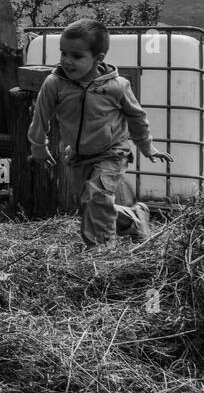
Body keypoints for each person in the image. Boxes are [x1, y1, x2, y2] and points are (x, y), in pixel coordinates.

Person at [27, 19, 174, 249]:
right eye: (63, 53)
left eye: (77, 56)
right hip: (78, 154)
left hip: (112, 153)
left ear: (99, 58)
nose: (67, 61)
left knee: (95, 196)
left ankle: (102, 251)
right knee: (91, 204)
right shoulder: (54, 84)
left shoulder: (116, 86)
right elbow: (40, 116)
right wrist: (38, 146)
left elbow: (137, 116)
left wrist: (147, 147)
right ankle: (134, 218)